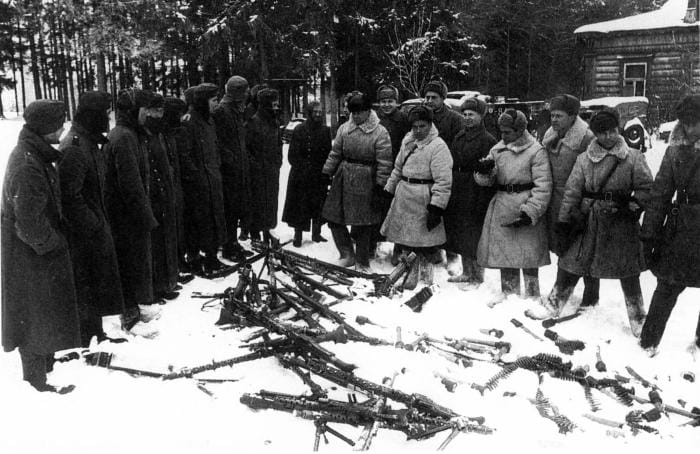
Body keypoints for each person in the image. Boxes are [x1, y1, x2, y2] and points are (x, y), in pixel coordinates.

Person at [528, 109, 653, 338]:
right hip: (588, 220)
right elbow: (572, 192)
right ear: (595, 134)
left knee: (628, 271)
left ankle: (638, 317)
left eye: (613, 131)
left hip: (621, 223)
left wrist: (634, 204)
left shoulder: (633, 157)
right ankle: (554, 303)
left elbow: (647, 188)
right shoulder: (584, 159)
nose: (609, 136)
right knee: (571, 263)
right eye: (603, 133)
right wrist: (564, 220)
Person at [2, 100, 80, 393]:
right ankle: (35, 380)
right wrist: (53, 244)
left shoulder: (36, 155)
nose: (63, 128)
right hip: (29, 254)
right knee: (33, 314)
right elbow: (28, 222)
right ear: (45, 128)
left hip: (36, 250)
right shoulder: (27, 164)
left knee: (44, 310)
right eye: (59, 123)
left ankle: (46, 361)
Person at [58, 91, 126, 347]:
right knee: (87, 281)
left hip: (93, 229)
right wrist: (93, 224)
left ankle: (95, 332)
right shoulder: (75, 147)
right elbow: (70, 196)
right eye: (104, 113)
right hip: (83, 234)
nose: (108, 118)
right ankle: (86, 337)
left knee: (96, 281)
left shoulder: (88, 142)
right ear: (92, 115)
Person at [640, 95, 700, 355]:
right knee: (666, 286)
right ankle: (647, 344)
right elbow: (660, 195)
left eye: (696, 122)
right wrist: (649, 234)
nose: (691, 129)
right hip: (681, 231)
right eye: (686, 123)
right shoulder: (675, 150)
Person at [475, 109, 552, 305]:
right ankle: (509, 294)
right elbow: (487, 182)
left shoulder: (536, 151)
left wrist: (531, 211)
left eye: (508, 132)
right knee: (506, 255)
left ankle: (532, 295)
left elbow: (543, 186)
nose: (504, 136)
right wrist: (484, 172)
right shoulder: (497, 150)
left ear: (520, 130)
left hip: (525, 205)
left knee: (528, 256)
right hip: (502, 204)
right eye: (501, 131)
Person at [104, 89, 162, 330]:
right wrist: (145, 216)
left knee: (135, 264)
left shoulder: (130, 134)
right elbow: (131, 184)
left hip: (129, 214)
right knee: (129, 265)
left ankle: (135, 309)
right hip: (125, 216)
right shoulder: (124, 137)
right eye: (145, 108)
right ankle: (130, 316)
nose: (148, 113)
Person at [381, 106, 453, 288]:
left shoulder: (438, 146)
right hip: (404, 195)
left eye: (422, 126)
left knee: (426, 244)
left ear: (430, 124)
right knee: (405, 241)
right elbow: (397, 168)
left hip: (424, 198)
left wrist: (436, 207)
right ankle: (408, 278)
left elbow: (443, 181)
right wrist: (388, 190)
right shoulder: (408, 142)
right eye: (415, 127)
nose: (418, 130)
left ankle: (426, 280)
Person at [321, 92, 392, 272]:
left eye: (360, 112)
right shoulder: (345, 129)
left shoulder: (380, 132)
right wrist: (326, 172)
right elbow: (335, 152)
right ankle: (346, 254)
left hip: (366, 179)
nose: (356, 116)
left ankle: (362, 261)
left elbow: (385, 162)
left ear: (368, 111)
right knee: (333, 216)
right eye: (353, 112)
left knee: (363, 222)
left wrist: (380, 186)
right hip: (343, 176)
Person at [542, 94, 599, 307]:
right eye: (552, 115)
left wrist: (583, 203)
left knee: (578, 249)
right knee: (563, 246)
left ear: (573, 116)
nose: (554, 120)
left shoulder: (586, 138)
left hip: (578, 202)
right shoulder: (551, 134)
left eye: (559, 116)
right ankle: (579, 296)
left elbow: (594, 170)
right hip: (554, 200)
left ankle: (589, 297)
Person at [444, 97, 497, 285]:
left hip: (475, 190)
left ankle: (477, 276)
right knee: (460, 232)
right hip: (458, 187)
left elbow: (490, 171)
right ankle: (466, 272)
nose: (467, 118)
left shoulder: (487, 140)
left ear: (481, 116)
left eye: (471, 115)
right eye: (464, 114)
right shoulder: (459, 136)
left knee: (474, 233)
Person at [179, 83, 227, 275]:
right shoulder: (188, 122)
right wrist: (196, 177)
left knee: (214, 221)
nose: (217, 104)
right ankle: (194, 259)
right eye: (214, 100)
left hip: (212, 180)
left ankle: (212, 257)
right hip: (197, 184)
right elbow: (184, 155)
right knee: (196, 223)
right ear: (202, 101)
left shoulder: (210, 121)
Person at [213, 76, 253, 261]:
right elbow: (218, 142)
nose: (247, 95)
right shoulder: (222, 111)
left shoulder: (235, 110)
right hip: (229, 172)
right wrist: (231, 160)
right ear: (237, 92)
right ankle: (228, 246)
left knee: (237, 208)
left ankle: (233, 242)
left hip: (239, 169)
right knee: (229, 210)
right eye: (245, 91)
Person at [282, 100, 332, 247]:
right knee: (300, 206)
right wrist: (303, 168)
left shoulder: (325, 131)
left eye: (319, 112)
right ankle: (298, 236)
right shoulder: (299, 129)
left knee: (318, 205)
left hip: (319, 175)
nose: (317, 114)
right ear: (309, 113)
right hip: (300, 176)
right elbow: (292, 155)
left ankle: (316, 234)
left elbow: (328, 153)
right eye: (314, 112)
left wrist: (325, 171)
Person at [146, 94, 180, 302]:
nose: (160, 115)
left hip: (164, 192)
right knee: (156, 243)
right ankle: (158, 286)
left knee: (166, 239)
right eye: (156, 111)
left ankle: (166, 281)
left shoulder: (159, 133)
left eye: (162, 111)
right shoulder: (146, 134)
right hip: (153, 196)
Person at [162, 97, 193, 284]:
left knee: (181, 226)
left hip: (181, 184)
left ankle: (181, 260)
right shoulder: (165, 134)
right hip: (173, 186)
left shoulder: (175, 131)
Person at [246, 88, 283, 245]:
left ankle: (268, 231)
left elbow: (278, 143)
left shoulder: (274, 123)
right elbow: (247, 150)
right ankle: (255, 235)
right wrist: (256, 166)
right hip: (258, 173)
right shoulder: (252, 123)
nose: (276, 108)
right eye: (273, 105)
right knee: (258, 203)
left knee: (271, 203)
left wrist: (278, 161)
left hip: (272, 170)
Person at [422, 80, 466, 147]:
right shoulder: (419, 116)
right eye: (427, 97)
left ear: (443, 98)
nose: (430, 101)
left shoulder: (455, 119)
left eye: (434, 98)